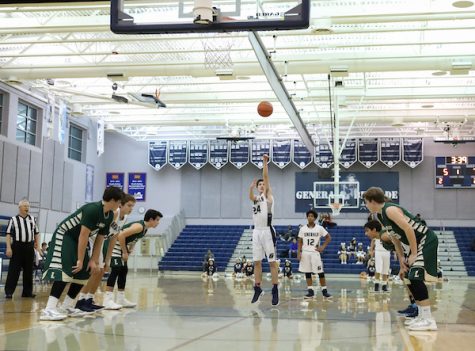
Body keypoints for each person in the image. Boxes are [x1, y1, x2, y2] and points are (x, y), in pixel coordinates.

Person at [40, 186, 123, 321]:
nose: (120, 205)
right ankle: (49, 309)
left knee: (85, 271)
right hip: (66, 235)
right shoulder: (93, 209)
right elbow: (83, 235)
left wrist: (93, 260)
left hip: (77, 239)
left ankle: (65, 306)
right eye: (119, 202)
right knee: (66, 270)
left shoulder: (108, 217)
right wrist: (79, 259)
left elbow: (99, 240)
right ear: (113, 200)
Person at [363, 187, 439, 331]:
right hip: (412, 244)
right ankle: (422, 316)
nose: (366, 205)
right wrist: (402, 259)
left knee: (416, 277)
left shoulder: (390, 210)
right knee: (408, 277)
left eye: (366, 202)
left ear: (372, 201)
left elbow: (409, 229)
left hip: (425, 239)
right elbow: (395, 238)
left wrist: (414, 253)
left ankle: (429, 319)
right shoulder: (379, 216)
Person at [76, 193, 136, 311]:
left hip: (104, 241)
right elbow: (101, 233)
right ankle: (80, 300)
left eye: (132, 206)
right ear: (121, 204)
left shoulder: (125, 219)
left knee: (101, 271)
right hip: (94, 239)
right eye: (129, 205)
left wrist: (108, 258)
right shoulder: (115, 213)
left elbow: (114, 237)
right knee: (95, 271)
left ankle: (89, 299)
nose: (131, 209)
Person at [104, 209, 162, 308]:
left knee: (123, 270)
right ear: (151, 219)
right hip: (114, 244)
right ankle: (107, 300)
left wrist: (130, 248)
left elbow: (134, 239)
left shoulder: (145, 229)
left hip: (122, 246)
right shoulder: (139, 226)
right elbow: (121, 235)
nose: (158, 222)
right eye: (157, 220)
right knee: (116, 270)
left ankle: (121, 299)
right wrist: (125, 252)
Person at [248, 154, 279, 306]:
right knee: (257, 262)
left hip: (267, 231)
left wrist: (264, 162)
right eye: (259, 184)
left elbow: (265, 177)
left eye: (262, 184)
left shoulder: (268, 196)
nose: (261, 185)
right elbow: (250, 197)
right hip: (256, 231)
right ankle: (258, 287)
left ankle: (275, 289)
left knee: (272, 262)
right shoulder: (256, 198)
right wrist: (251, 188)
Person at [4, 199, 40, 299]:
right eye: (24, 206)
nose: (27, 208)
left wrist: (37, 244)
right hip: (17, 247)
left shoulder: (33, 219)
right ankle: (9, 292)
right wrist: (8, 247)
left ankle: (27, 292)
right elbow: (8, 234)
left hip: (29, 247)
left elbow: (36, 233)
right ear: (19, 207)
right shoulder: (13, 219)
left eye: (28, 206)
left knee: (29, 270)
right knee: (13, 270)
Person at [297, 209, 332, 299]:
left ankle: (324, 291)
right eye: (308, 216)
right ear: (307, 217)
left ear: (315, 218)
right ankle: (310, 291)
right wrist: (299, 252)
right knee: (307, 272)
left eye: (312, 216)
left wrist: (323, 247)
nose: (310, 217)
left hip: (315, 252)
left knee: (320, 272)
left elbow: (328, 237)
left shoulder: (319, 228)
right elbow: (300, 241)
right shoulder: (302, 229)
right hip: (305, 252)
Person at [365, 221, 391, 293]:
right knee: (378, 269)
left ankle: (384, 286)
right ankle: (376, 286)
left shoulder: (385, 234)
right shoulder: (375, 236)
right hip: (378, 251)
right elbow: (372, 242)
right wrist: (371, 250)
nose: (366, 233)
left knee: (385, 269)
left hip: (387, 252)